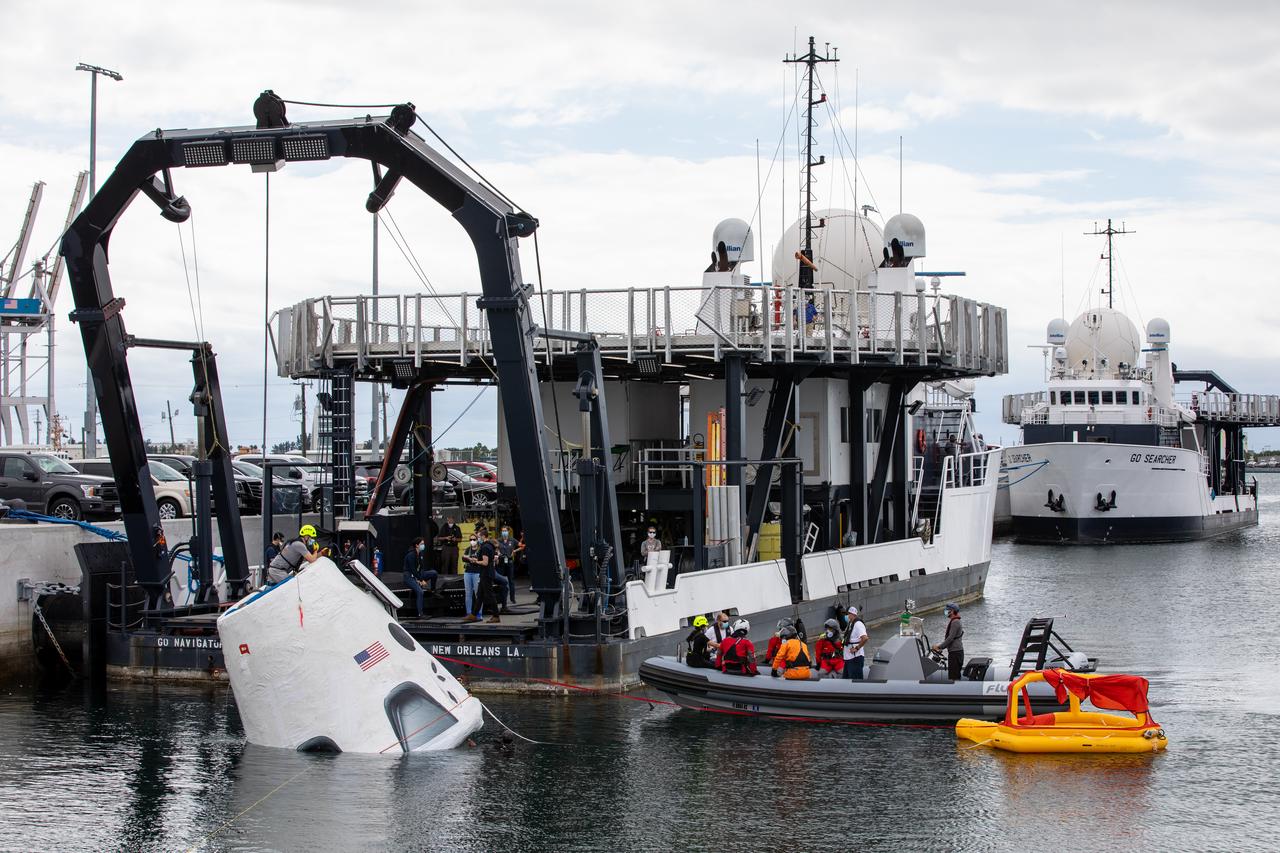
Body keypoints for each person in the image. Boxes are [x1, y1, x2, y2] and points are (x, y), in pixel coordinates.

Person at [461, 532, 500, 623]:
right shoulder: (490, 546)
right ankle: (474, 615)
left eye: (478, 537)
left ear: (483, 536)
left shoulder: (485, 547)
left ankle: (496, 616)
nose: (478, 539)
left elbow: (485, 562)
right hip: (485, 574)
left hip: (486, 574)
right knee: (480, 595)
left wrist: (475, 561)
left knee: (490, 595)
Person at [401, 537, 438, 618]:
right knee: (420, 592)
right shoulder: (410, 555)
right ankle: (420, 614)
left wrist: (421, 577)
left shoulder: (420, 554)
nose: (423, 545)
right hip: (409, 576)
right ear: (416, 545)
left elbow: (421, 567)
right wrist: (420, 580)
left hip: (418, 574)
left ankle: (433, 590)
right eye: (421, 544)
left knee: (433, 573)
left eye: (423, 544)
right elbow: (413, 570)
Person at [931, 602, 965, 681]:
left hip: (955, 653)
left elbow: (950, 638)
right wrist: (941, 648)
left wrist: (939, 646)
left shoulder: (955, 622)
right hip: (956, 651)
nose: (945, 611)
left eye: (947, 610)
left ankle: (955, 691)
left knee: (954, 677)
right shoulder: (955, 621)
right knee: (954, 674)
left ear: (952, 611)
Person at [843, 606, 869, 680]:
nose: (846, 616)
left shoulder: (858, 624)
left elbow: (865, 638)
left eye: (848, 614)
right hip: (849, 658)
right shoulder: (851, 624)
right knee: (846, 679)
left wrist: (857, 648)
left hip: (855, 658)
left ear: (852, 614)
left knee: (855, 680)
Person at [495, 527, 517, 607]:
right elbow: (494, 548)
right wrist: (497, 552)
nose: (504, 532)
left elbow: (522, 546)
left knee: (511, 580)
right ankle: (500, 598)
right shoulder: (498, 540)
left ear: (508, 531)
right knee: (500, 580)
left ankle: (512, 598)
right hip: (501, 561)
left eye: (505, 531)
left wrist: (515, 551)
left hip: (509, 561)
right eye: (503, 531)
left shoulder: (512, 540)